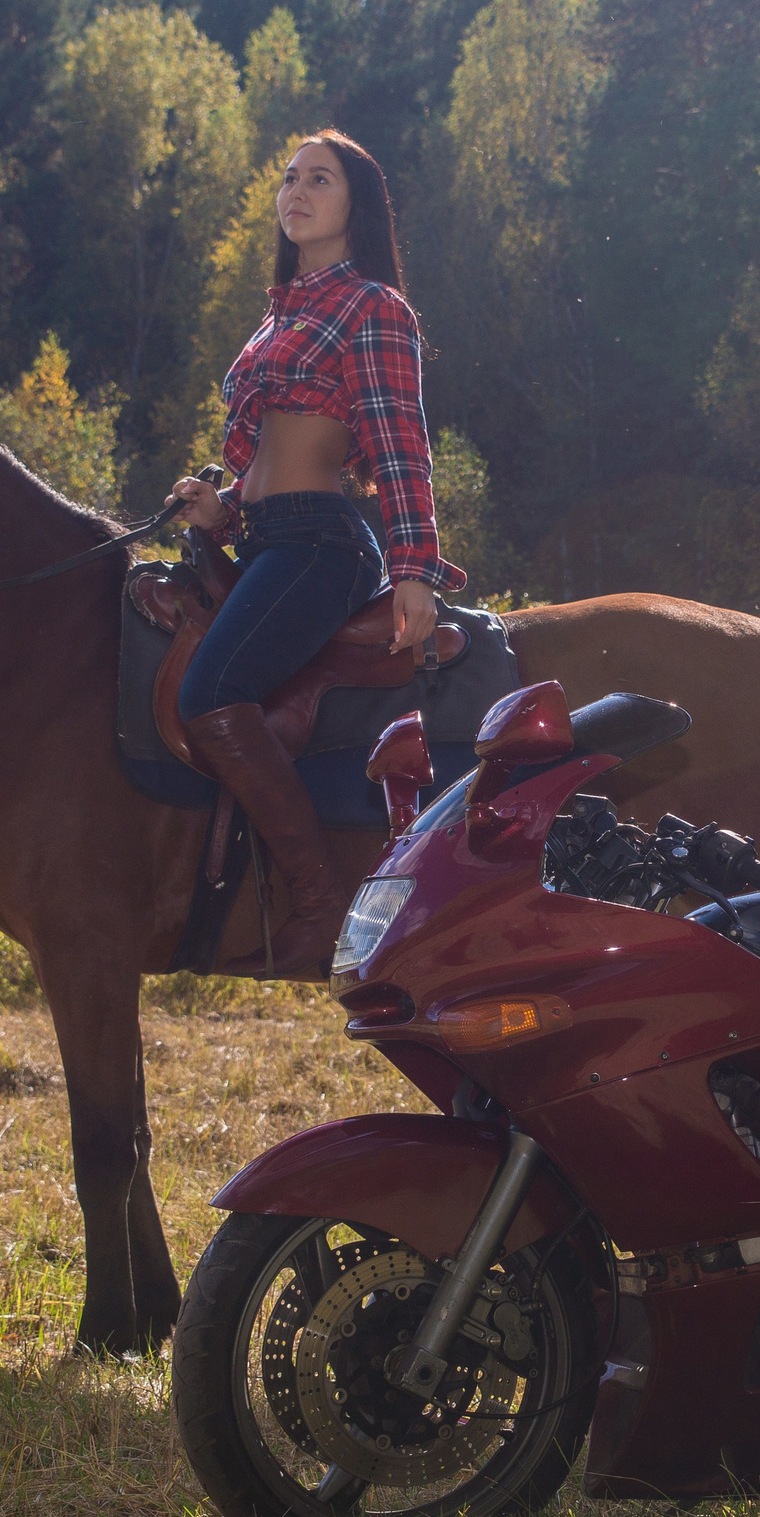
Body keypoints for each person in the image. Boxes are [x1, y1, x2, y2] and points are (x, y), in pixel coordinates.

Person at [168, 130, 464, 977]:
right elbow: (267, 455)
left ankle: (318, 900)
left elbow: (400, 445)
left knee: (209, 691)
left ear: (356, 205)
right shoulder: (279, 317)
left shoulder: (373, 306)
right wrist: (222, 507)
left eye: (320, 179)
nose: (296, 191)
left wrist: (414, 569)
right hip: (265, 538)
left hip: (319, 544)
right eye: (290, 177)